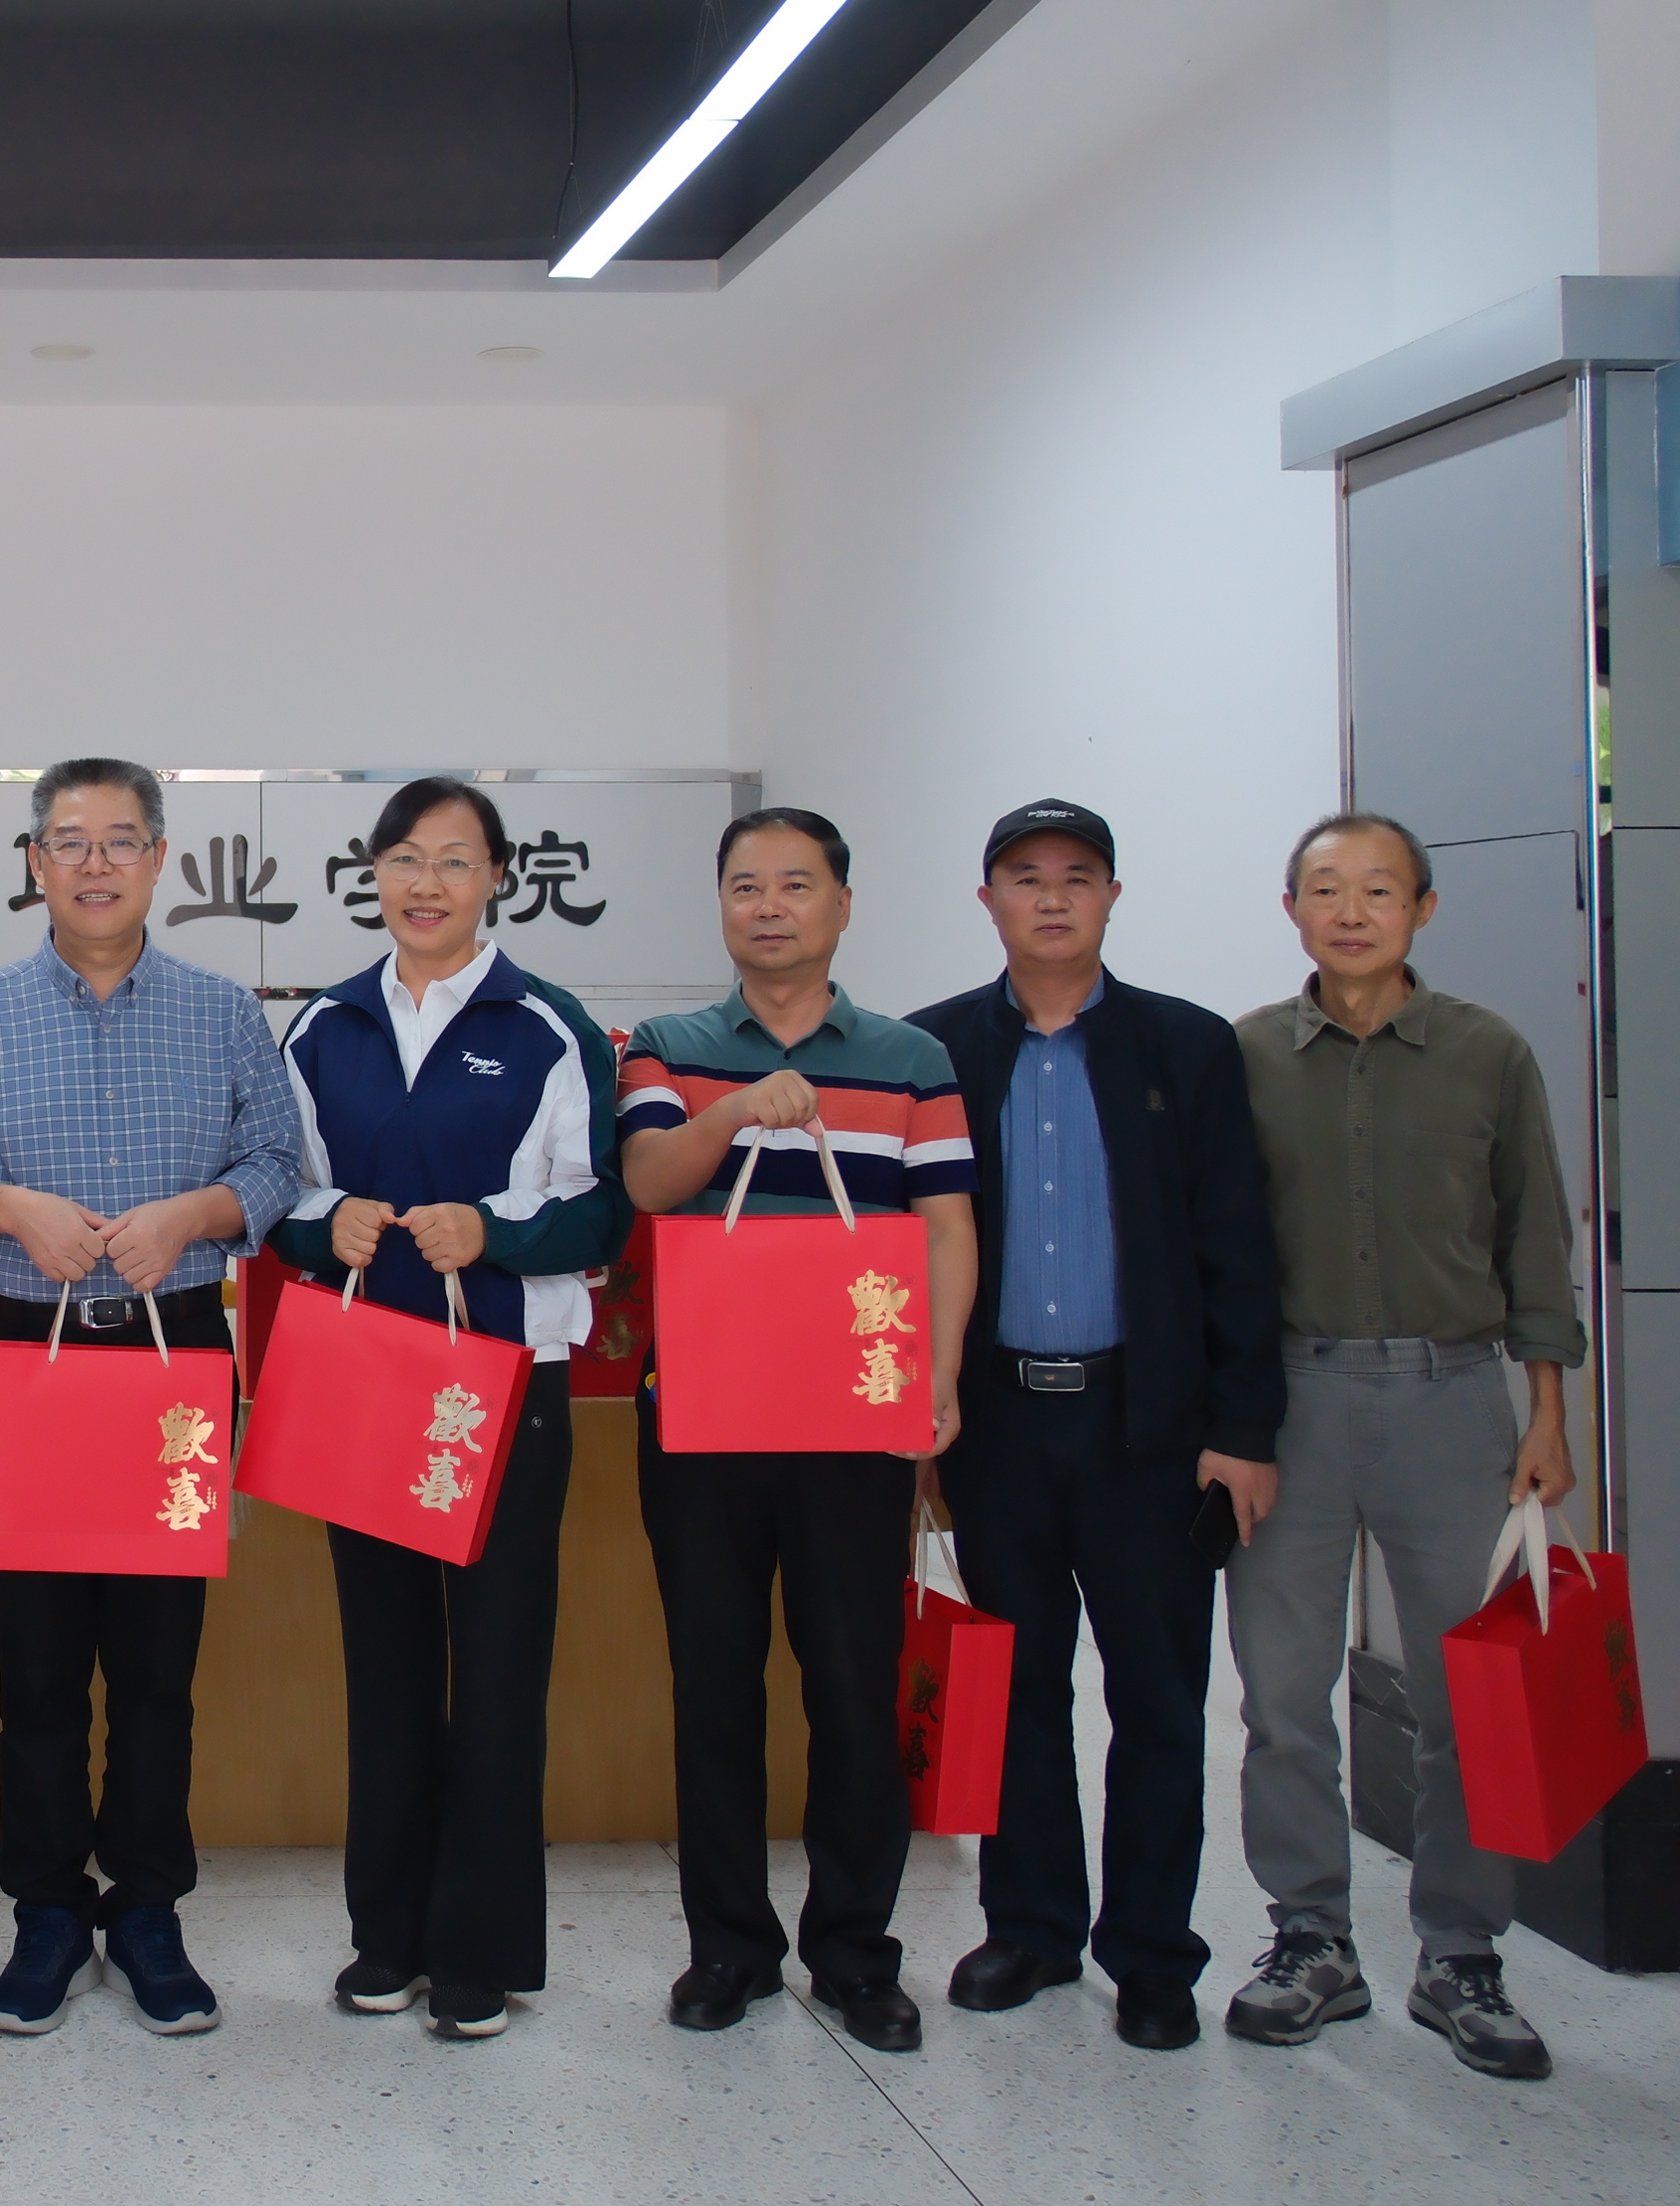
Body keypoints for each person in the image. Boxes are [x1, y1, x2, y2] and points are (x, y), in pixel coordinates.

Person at [0, 756, 305, 2037]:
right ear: (34, 863)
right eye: (68, 842)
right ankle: (45, 1911)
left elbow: (279, 1161)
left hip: (173, 1351)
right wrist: (1, 1208)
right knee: (35, 1662)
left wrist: (198, 1213)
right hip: (28, 1351)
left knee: (155, 1662)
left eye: (119, 840)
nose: (93, 864)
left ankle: (145, 1908)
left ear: (158, 859)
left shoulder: (223, 1012)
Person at [904, 801, 1282, 2052]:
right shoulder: (934, 1048)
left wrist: (1241, 1428)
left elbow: (1236, 1246)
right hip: (999, 1423)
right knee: (1014, 1688)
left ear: (1112, 895)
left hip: (1148, 1428)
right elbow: (907, 1248)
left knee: (1161, 1700)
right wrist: (920, 1418)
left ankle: (1153, 1952)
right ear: (988, 901)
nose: (1052, 897)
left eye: (1077, 876)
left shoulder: (1186, 1046)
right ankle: (1030, 1928)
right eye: (1026, 877)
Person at [267, 778, 629, 2041]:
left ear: (496, 880)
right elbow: (275, 1191)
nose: (427, 884)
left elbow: (601, 1209)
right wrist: (323, 1224)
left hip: (502, 1388)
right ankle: (387, 1940)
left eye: (456, 861)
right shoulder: (326, 1025)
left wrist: (496, 1232)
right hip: (364, 1380)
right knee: (385, 1668)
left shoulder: (546, 1025)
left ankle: (479, 1951)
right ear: (373, 874)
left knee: (499, 1670)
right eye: (406, 860)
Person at [1225, 811, 1583, 2082]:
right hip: (1289, 1401)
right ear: (1291, 910)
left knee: (1463, 1697)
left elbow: (1534, 1231)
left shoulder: (1488, 1052)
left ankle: (1460, 1951)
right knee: (1281, 1696)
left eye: (1378, 890)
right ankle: (1309, 1937)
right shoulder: (1246, 1055)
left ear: (1422, 909)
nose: (1351, 912)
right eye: (1325, 890)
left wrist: (1546, 1412)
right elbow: (1216, 1243)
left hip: (1453, 1399)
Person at [615, 807, 976, 2054]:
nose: (768, 906)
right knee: (713, 1687)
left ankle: (857, 1955)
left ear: (841, 904)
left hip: (853, 1420)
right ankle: (728, 1948)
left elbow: (944, 1225)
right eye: (744, 886)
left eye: (795, 884)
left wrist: (940, 1376)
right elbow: (650, 1183)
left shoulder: (911, 1059)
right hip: (702, 1415)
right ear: (719, 905)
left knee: (853, 1691)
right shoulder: (665, 1047)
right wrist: (735, 1114)